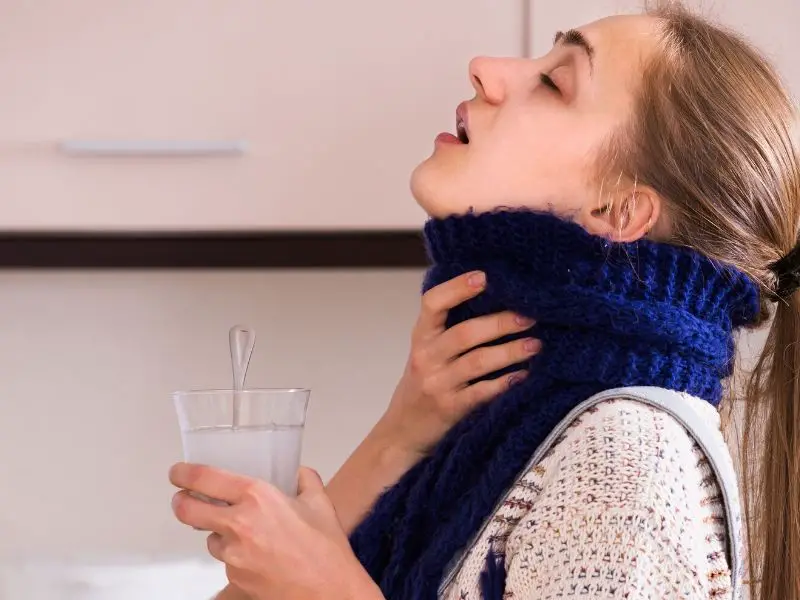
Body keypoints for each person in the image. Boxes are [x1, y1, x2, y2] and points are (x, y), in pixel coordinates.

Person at [168, 2, 800, 599]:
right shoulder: (509, 419)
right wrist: (401, 435)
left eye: (556, 83)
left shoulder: (628, 459)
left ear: (617, 210)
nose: (487, 68)